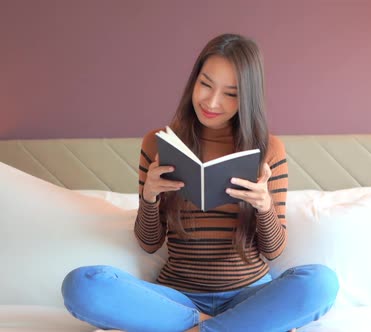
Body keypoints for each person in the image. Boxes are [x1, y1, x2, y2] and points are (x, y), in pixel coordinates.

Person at [61, 33, 339, 332]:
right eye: (205, 84)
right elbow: (148, 243)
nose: (212, 101)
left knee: (321, 282)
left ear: (247, 97)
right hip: (178, 300)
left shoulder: (269, 150)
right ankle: (228, 327)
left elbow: (274, 251)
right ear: (193, 81)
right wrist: (150, 197)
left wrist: (264, 206)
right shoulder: (158, 144)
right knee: (82, 284)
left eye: (231, 93)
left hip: (249, 296)